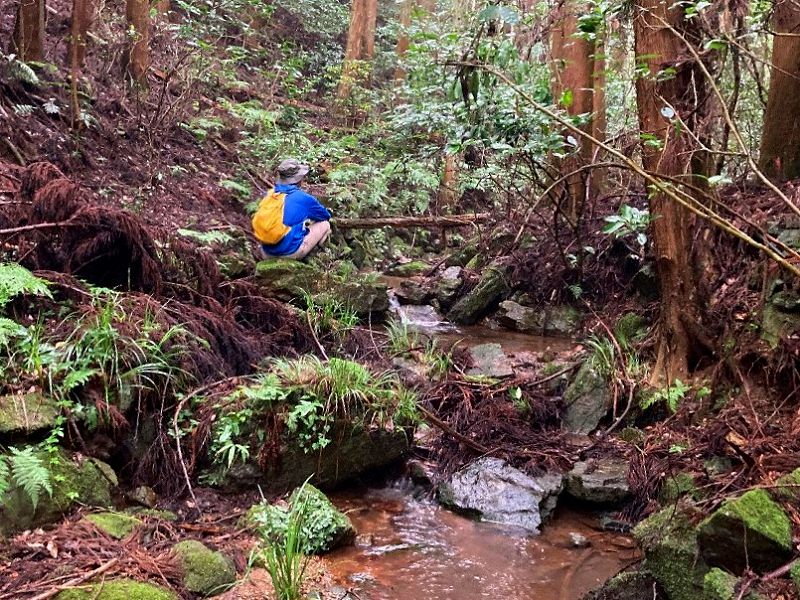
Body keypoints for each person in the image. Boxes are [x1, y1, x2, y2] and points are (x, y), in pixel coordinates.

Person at [252, 158, 332, 260]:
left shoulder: (270, 194)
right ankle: (319, 257)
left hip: (266, 252)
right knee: (325, 224)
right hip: (290, 253)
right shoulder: (303, 198)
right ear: (298, 179)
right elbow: (325, 216)